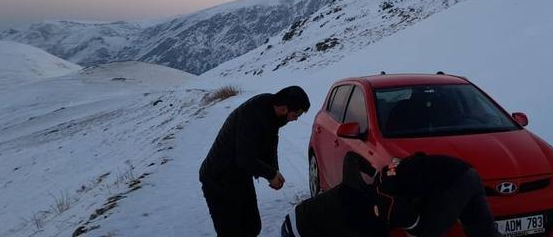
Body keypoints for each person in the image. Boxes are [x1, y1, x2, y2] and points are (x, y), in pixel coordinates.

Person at [281, 152, 501, 237]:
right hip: (466, 171)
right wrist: (373, 170)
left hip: (453, 183)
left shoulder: (382, 202)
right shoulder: (356, 187)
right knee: (483, 231)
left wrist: (415, 229)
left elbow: (404, 215)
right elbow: (350, 158)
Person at [200, 85, 310, 236]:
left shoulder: (274, 115)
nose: (296, 119)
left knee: (252, 226)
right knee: (232, 231)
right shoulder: (252, 114)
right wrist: (270, 174)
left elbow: (271, 145)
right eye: (296, 114)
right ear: (284, 108)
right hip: (218, 178)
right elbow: (244, 158)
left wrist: (274, 171)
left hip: (240, 175)